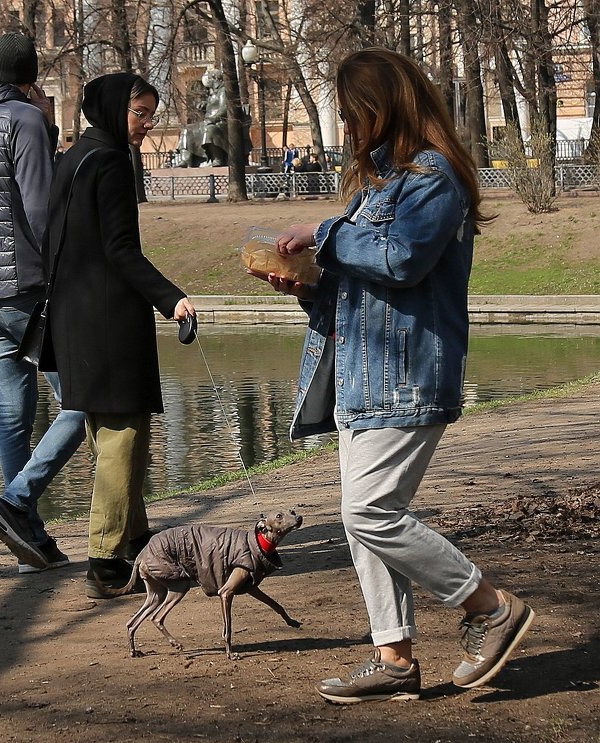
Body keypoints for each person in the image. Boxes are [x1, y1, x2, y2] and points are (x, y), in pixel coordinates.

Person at [248, 47, 535, 703]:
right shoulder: (380, 184)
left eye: (353, 115)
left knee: (371, 511)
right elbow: (364, 281)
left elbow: (402, 257)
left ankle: (488, 606)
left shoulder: (433, 178)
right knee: (364, 519)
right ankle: (394, 657)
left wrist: (323, 233)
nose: (348, 129)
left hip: (405, 376)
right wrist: (303, 284)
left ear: (383, 110)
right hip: (363, 374)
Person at [44, 72, 195, 597]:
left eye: (151, 114)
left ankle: (135, 545)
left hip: (73, 317)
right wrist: (171, 298)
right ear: (113, 109)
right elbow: (120, 250)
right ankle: (106, 561)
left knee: (113, 435)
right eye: (139, 113)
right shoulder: (108, 161)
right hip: (106, 321)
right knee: (121, 438)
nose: (146, 124)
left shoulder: (73, 157)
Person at [0, 32, 86, 573]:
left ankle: (24, 525)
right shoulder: (25, 119)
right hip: (26, 287)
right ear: (31, 76)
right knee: (82, 399)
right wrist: (65, 271)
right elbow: (38, 208)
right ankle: (17, 500)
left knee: (13, 415)